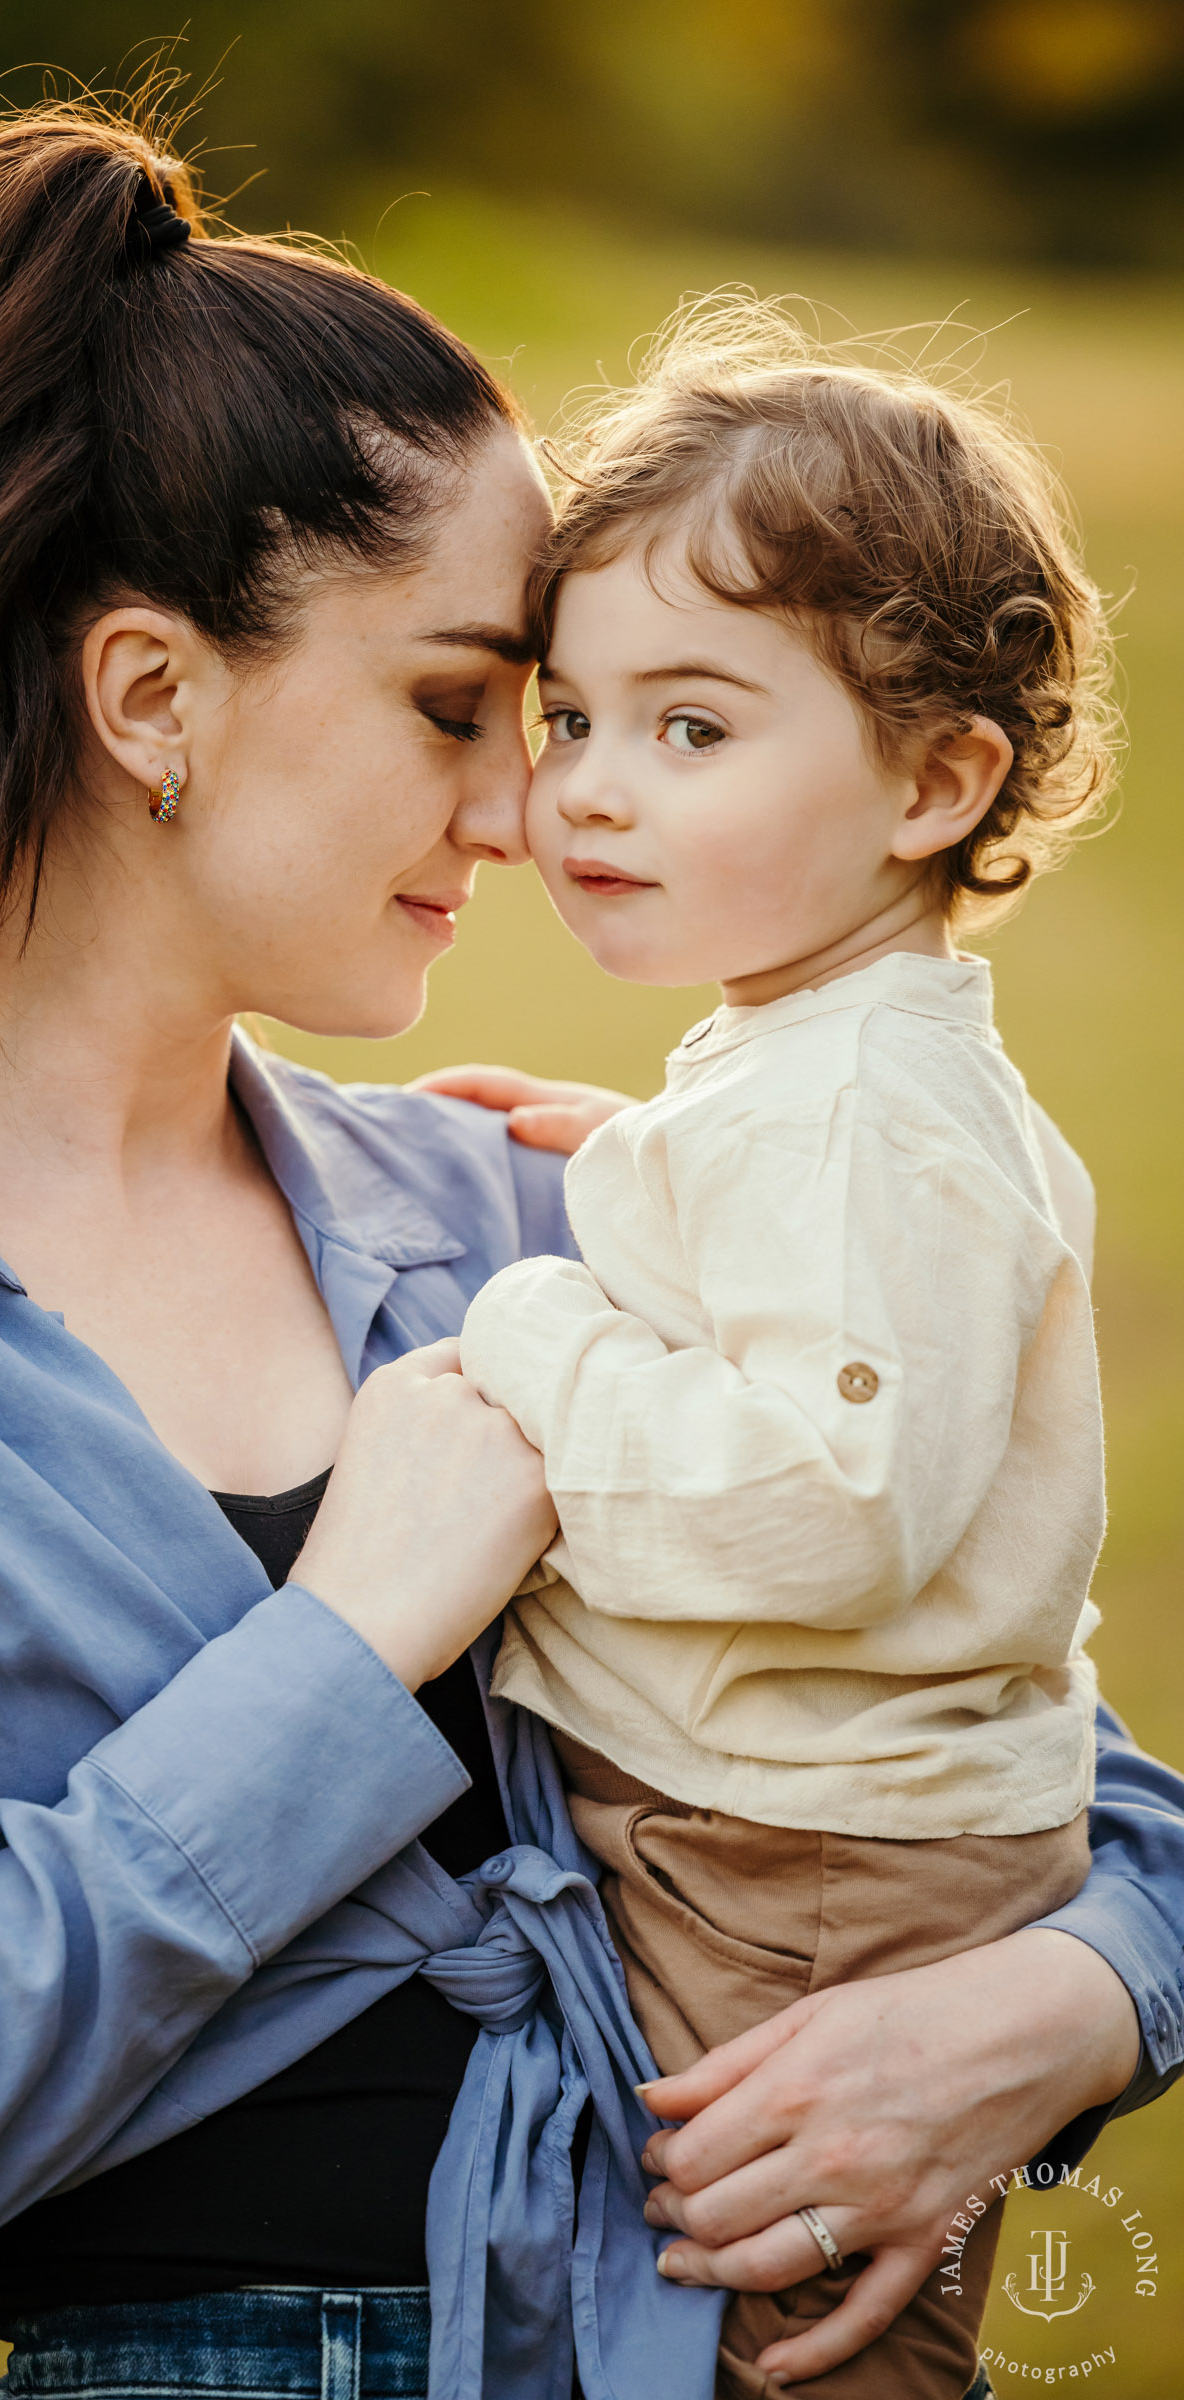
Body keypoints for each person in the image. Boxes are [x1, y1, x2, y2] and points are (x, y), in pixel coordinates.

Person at [0, 100, 1176, 2400]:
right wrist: (341, 1658)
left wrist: (1064, 2006)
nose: (530, 812)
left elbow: (1007, 1740)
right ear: (150, 700)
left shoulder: (509, 1201)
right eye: (459, 707)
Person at [452, 304, 1116, 2397]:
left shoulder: (858, 1116)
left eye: (694, 730)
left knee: (778, 2330)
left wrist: (541, 1317)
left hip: (809, 1873)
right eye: (569, 719)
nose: (585, 796)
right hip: (799, 1826)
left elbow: (824, 1505)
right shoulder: (811, 1074)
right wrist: (645, 1175)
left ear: (938, 779)